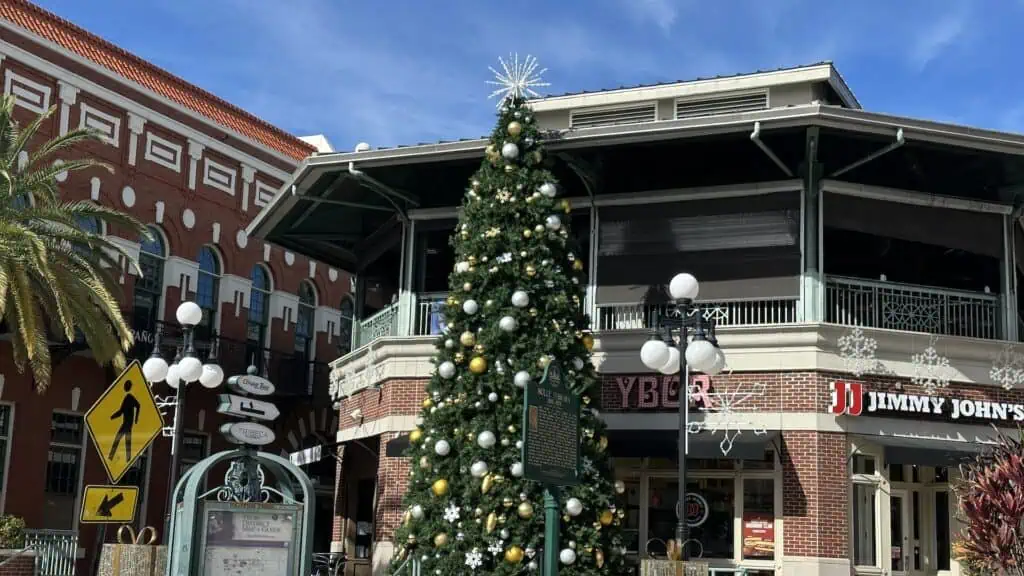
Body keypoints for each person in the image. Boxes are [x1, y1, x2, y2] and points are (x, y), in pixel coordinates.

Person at [108, 380, 140, 461]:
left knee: (119, 439)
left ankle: (111, 457)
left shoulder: (130, 397)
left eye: (125, 386)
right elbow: (121, 411)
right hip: (126, 423)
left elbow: (138, 405)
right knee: (126, 442)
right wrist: (111, 417)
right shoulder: (126, 398)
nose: (124, 387)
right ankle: (125, 458)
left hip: (128, 424)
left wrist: (136, 419)